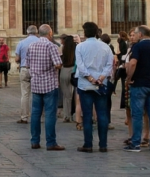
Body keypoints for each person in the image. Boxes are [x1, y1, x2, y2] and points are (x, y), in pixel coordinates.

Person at [74, 22, 113, 153]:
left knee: (87, 114)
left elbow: (80, 66)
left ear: (85, 32)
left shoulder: (80, 47)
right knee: (102, 114)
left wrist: (90, 78)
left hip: (85, 84)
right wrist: (101, 77)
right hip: (101, 84)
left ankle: (88, 144)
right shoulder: (105, 47)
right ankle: (103, 144)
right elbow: (109, 65)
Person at [124, 25, 150, 153]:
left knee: (137, 114)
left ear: (140, 35)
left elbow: (133, 62)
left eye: (135, 34)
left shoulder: (138, 46)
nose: (134, 36)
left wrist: (129, 77)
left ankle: (135, 143)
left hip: (139, 83)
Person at [26, 25, 65, 151]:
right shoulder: (51, 46)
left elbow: (27, 64)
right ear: (50, 33)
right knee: (49, 114)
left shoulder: (31, 46)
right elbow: (58, 64)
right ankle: (51, 142)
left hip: (36, 83)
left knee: (35, 113)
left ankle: (35, 141)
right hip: (49, 84)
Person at [14, 26, 39, 124]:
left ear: (27, 32)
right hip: (37, 69)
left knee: (25, 94)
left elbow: (16, 59)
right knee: (37, 93)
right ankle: (37, 116)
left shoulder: (21, 42)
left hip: (24, 68)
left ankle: (24, 117)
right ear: (36, 32)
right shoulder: (40, 41)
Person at [58, 35, 76, 123]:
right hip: (73, 71)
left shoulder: (62, 48)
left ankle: (66, 115)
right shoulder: (75, 49)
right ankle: (71, 114)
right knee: (71, 94)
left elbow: (59, 61)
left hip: (64, 70)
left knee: (66, 95)